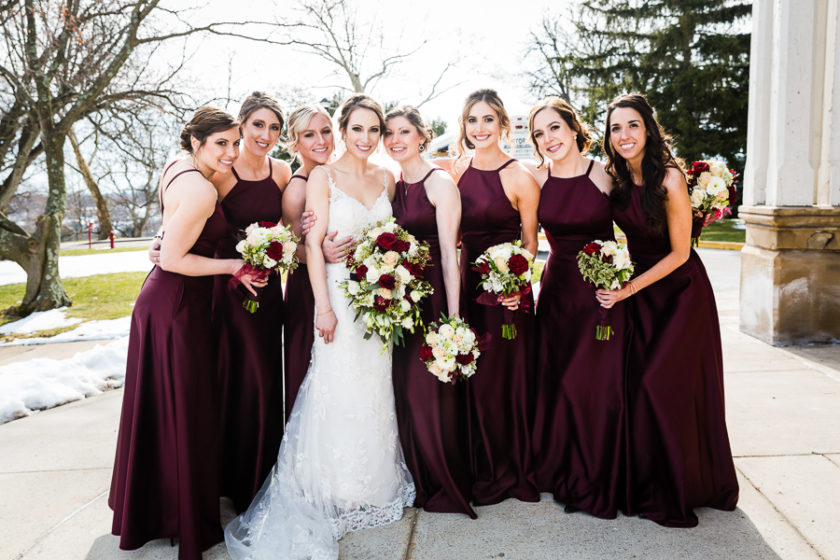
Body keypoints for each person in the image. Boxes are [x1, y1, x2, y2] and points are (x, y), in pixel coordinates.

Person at [225, 94, 414, 560]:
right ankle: (335, 485)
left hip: (378, 301)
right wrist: (323, 309)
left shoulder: (386, 178)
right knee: (336, 385)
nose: (365, 139)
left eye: (374, 130)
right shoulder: (321, 178)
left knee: (373, 388)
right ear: (344, 131)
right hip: (336, 298)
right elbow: (312, 244)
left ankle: (374, 483)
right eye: (357, 130)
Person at [109, 107, 264, 560]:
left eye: (235, 143)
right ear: (197, 143)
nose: (232, 152)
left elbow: (167, 240)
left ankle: (156, 510)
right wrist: (234, 264)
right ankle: (182, 517)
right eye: (222, 144)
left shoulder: (176, 167)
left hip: (161, 302)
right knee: (186, 407)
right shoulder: (199, 190)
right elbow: (173, 258)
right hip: (178, 304)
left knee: (163, 406)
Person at [597, 93, 739, 527]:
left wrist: (627, 290)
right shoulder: (615, 178)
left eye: (633, 125)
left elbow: (680, 253)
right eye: (616, 127)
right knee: (636, 387)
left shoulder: (670, 179)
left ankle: (679, 489)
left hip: (679, 293)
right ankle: (645, 483)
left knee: (661, 384)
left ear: (649, 129)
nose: (624, 135)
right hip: (639, 295)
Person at [526, 98, 629, 519]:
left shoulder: (603, 174)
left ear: (573, 128)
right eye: (538, 133)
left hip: (600, 295)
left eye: (554, 128)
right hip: (556, 292)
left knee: (592, 382)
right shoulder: (535, 179)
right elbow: (522, 236)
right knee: (557, 378)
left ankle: (596, 468)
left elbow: (640, 223)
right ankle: (558, 465)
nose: (548, 139)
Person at [383, 106, 475, 518]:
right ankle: (417, 477)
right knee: (405, 390)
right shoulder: (394, 184)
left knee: (429, 392)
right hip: (401, 300)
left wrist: (453, 322)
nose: (395, 140)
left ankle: (443, 479)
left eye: (404, 132)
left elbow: (450, 255)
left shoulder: (440, 183)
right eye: (389, 133)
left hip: (435, 296)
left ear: (423, 135)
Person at [450, 89, 541, 506]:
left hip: (507, 296)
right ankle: (476, 461)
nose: (479, 128)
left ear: (503, 124)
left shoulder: (518, 174)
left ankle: (509, 463)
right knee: (472, 375)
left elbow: (528, 242)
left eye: (488, 120)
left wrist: (516, 288)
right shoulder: (456, 169)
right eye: (472, 120)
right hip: (468, 289)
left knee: (504, 379)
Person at [212, 92, 292, 514]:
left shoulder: (281, 171)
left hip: (269, 287)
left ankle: (263, 476)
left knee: (267, 378)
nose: (266, 135)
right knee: (240, 380)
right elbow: (189, 214)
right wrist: (160, 239)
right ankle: (233, 481)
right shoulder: (222, 172)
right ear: (241, 125)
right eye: (258, 125)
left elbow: (291, 222)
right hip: (232, 290)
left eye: (274, 127)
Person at [281, 104, 353, 419]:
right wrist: (317, 250)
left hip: (341, 282)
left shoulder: (337, 175)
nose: (320, 140)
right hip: (307, 291)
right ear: (295, 143)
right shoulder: (297, 190)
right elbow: (289, 248)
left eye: (325, 131)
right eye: (309, 135)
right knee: (309, 369)